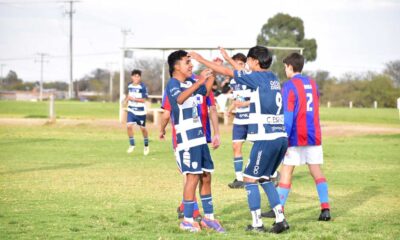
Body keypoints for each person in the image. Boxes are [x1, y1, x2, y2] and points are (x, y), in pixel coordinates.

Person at [190, 46, 289, 233]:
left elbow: (229, 72)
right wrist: (228, 57)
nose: (248, 64)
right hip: (281, 137)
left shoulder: (256, 77)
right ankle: (280, 219)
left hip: (266, 138)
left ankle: (257, 224)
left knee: (249, 179)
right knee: (265, 178)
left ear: (255, 62)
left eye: (249, 61)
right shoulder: (273, 78)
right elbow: (240, 71)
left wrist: (201, 59)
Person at [160, 50, 224, 233]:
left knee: (206, 175)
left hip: (200, 137)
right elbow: (179, 99)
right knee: (192, 176)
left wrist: (212, 70)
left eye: (191, 62)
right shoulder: (173, 84)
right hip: (186, 139)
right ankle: (187, 220)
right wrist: (199, 81)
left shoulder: (190, 82)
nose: (191, 65)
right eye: (186, 62)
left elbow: (205, 91)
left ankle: (209, 218)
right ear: (176, 67)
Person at [261, 52, 331, 221]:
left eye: (285, 67)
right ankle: (325, 209)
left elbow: (289, 115)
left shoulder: (289, 86)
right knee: (316, 170)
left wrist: (284, 138)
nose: (285, 70)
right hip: (313, 134)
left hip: (295, 135)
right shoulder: (313, 84)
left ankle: (279, 209)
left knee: (287, 170)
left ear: (290, 67)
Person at [224, 53, 251, 189]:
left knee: (258, 148)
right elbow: (237, 98)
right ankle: (239, 178)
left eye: (240, 64)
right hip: (239, 119)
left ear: (245, 65)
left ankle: (271, 173)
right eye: (235, 64)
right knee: (236, 146)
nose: (238, 67)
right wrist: (230, 108)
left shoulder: (251, 77)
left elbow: (259, 99)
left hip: (252, 118)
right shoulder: (234, 81)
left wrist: (244, 105)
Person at [125, 69, 149, 156]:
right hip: (131, 110)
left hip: (141, 112)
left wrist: (134, 99)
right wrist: (126, 100)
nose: (136, 78)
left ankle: (146, 145)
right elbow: (128, 95)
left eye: (138, 76)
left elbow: (143, 100)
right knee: (128, 126)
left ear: (140, 77)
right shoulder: (129, 85)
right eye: (134, 76)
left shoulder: (143, 87)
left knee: (142, 129)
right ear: (132, 77)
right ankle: (132, 144)